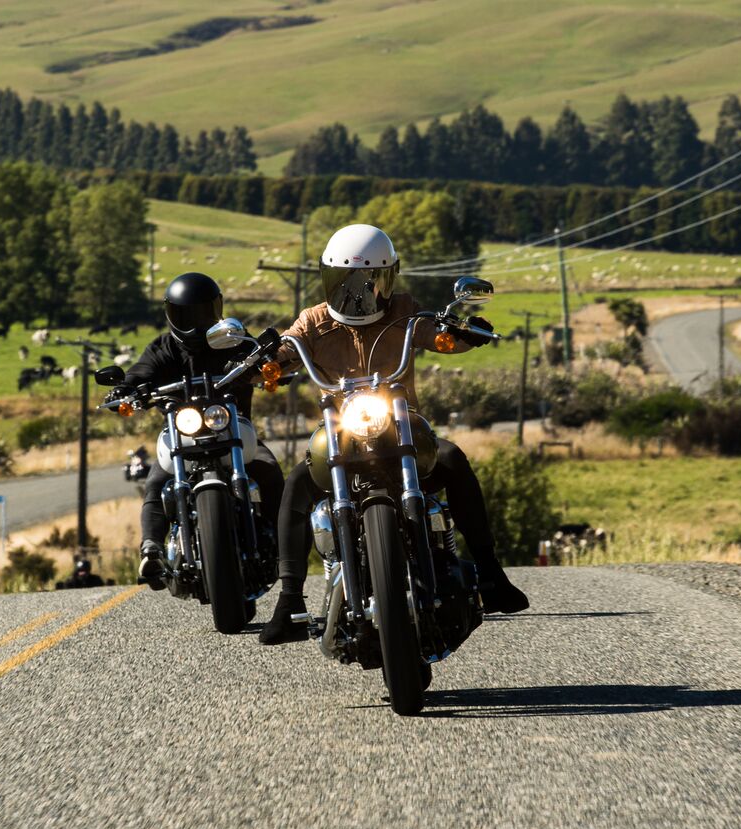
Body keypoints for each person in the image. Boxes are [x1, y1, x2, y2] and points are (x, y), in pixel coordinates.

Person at [258, 224, 529, 645]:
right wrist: (267, 361)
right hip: (341, 432)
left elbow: (435, 334)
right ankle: (289, 598)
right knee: (297, 480)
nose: (358, 293)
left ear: (388, 278)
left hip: (401, 426)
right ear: (328, 279)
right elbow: (288, 347)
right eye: (345, 282)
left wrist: (462, 334)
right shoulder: (313, 321)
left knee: (453, 458)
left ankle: (491, 574)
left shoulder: (404, 310)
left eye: (369, 282)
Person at [105, 272, 285, 585]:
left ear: (217, 310)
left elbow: (259, 355)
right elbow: (140, 372)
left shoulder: (233, 340)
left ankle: (286, 550)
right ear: (170, 314)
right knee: (157, 482)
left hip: (234, 432)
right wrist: (126, 389)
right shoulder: (163, 348)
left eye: (203, 313)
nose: (196, 322)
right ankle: (151, 550)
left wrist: (267, 361)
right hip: (182, 436)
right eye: (186, 315)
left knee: (269, 470)